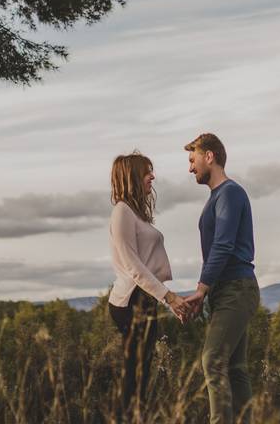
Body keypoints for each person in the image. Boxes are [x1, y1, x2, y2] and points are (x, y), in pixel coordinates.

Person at [108, 151, 191, 419]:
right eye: (147, 171)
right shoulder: (121, 212)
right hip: (132, 301)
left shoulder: (134, 214)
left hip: (144, 299)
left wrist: (164, 299)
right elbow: (134, 267)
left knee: (140, 374)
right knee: (135, 375)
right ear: (132, 176)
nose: (152, 176)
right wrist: (169, 297)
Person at [182, 133, 259, 424]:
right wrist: (208, 291)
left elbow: (224, 245)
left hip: (236, 289)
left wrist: (201, 290)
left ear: (209, 156)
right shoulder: (218, 196)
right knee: (235, 368)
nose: (191, 168)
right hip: (227, 290)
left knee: (212, 361)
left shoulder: (230, 193)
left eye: (193, 160)